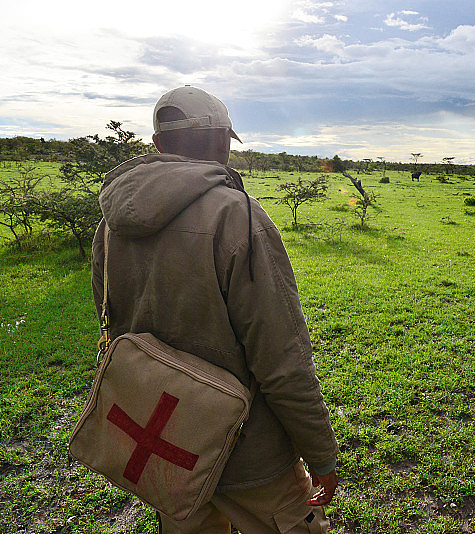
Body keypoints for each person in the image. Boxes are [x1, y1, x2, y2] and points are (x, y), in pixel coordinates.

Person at [91, 85, 339, 533]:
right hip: (250, 453)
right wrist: (320, 453)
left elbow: (111, 321)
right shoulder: (238, 216)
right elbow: (282, 359)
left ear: (158, 144)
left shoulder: (110, 223)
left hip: (166, 448)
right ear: (224, 141)